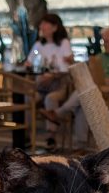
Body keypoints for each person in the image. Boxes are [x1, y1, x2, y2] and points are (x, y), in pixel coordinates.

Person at [43, 25, 109, 148]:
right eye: (103, 41)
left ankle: (59, 114)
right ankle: (80, 146)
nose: (104, 44)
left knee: (85, 95)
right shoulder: (99, 58)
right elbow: (84, 70)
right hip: (96, 93)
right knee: (85, 101)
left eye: (107, 41)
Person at [25, 13, 74, 150]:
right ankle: (26, 135)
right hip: (41, 85)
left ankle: (51, 138)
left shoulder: (63, 43)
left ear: (54, 27)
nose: (41, 27)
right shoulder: (39, 44)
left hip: (58, 84)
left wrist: (53, 74)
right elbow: (28, 63)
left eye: (45, 24)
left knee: (50, 99)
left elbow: (67, 67)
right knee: (28, 98)